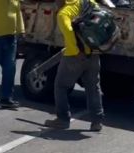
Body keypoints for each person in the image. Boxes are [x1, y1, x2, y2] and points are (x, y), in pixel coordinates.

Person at [44, 0, 104, 131]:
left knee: (61, 86)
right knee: (93, 87)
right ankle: (96, 122)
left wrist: (77, 52)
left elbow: (69, 31)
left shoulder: (64, 13)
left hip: (74, 56)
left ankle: (63, 119)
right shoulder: (88, 2)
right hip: (94, 52)